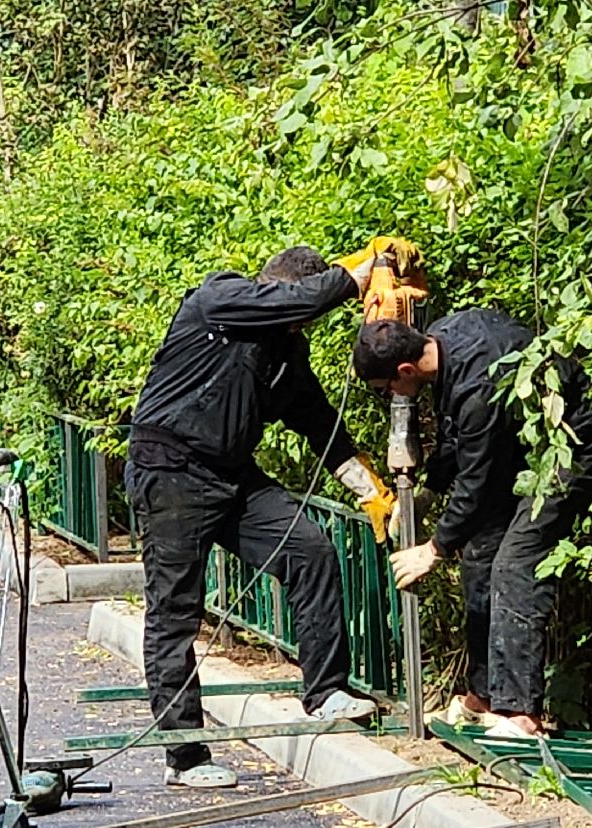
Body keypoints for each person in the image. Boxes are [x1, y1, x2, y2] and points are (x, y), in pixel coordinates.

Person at [125, 241, 407, 788]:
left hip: (231, 475)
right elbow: (300, 300)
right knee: (175, 612)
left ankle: (325, 692)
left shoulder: (285, 352)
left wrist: (370, 489)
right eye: (294, 311)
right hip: (170, 470)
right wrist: (362, 271)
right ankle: (184, 757)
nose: (297, 327)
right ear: (275, 290)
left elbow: (320, 423)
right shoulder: (220, 299)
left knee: (311, 551)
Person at [352, 310, 592, 739]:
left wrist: (431, 551)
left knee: (515, 564)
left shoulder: (477, 389)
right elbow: (458, 437)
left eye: (387, 389)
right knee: (479, 556)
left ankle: (520, 713)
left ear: (405, 370)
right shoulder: (447, 337)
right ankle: (485, 694)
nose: (392, 396)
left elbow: (476, 482)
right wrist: (428, 490)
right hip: (523, 454)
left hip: (570, 454)